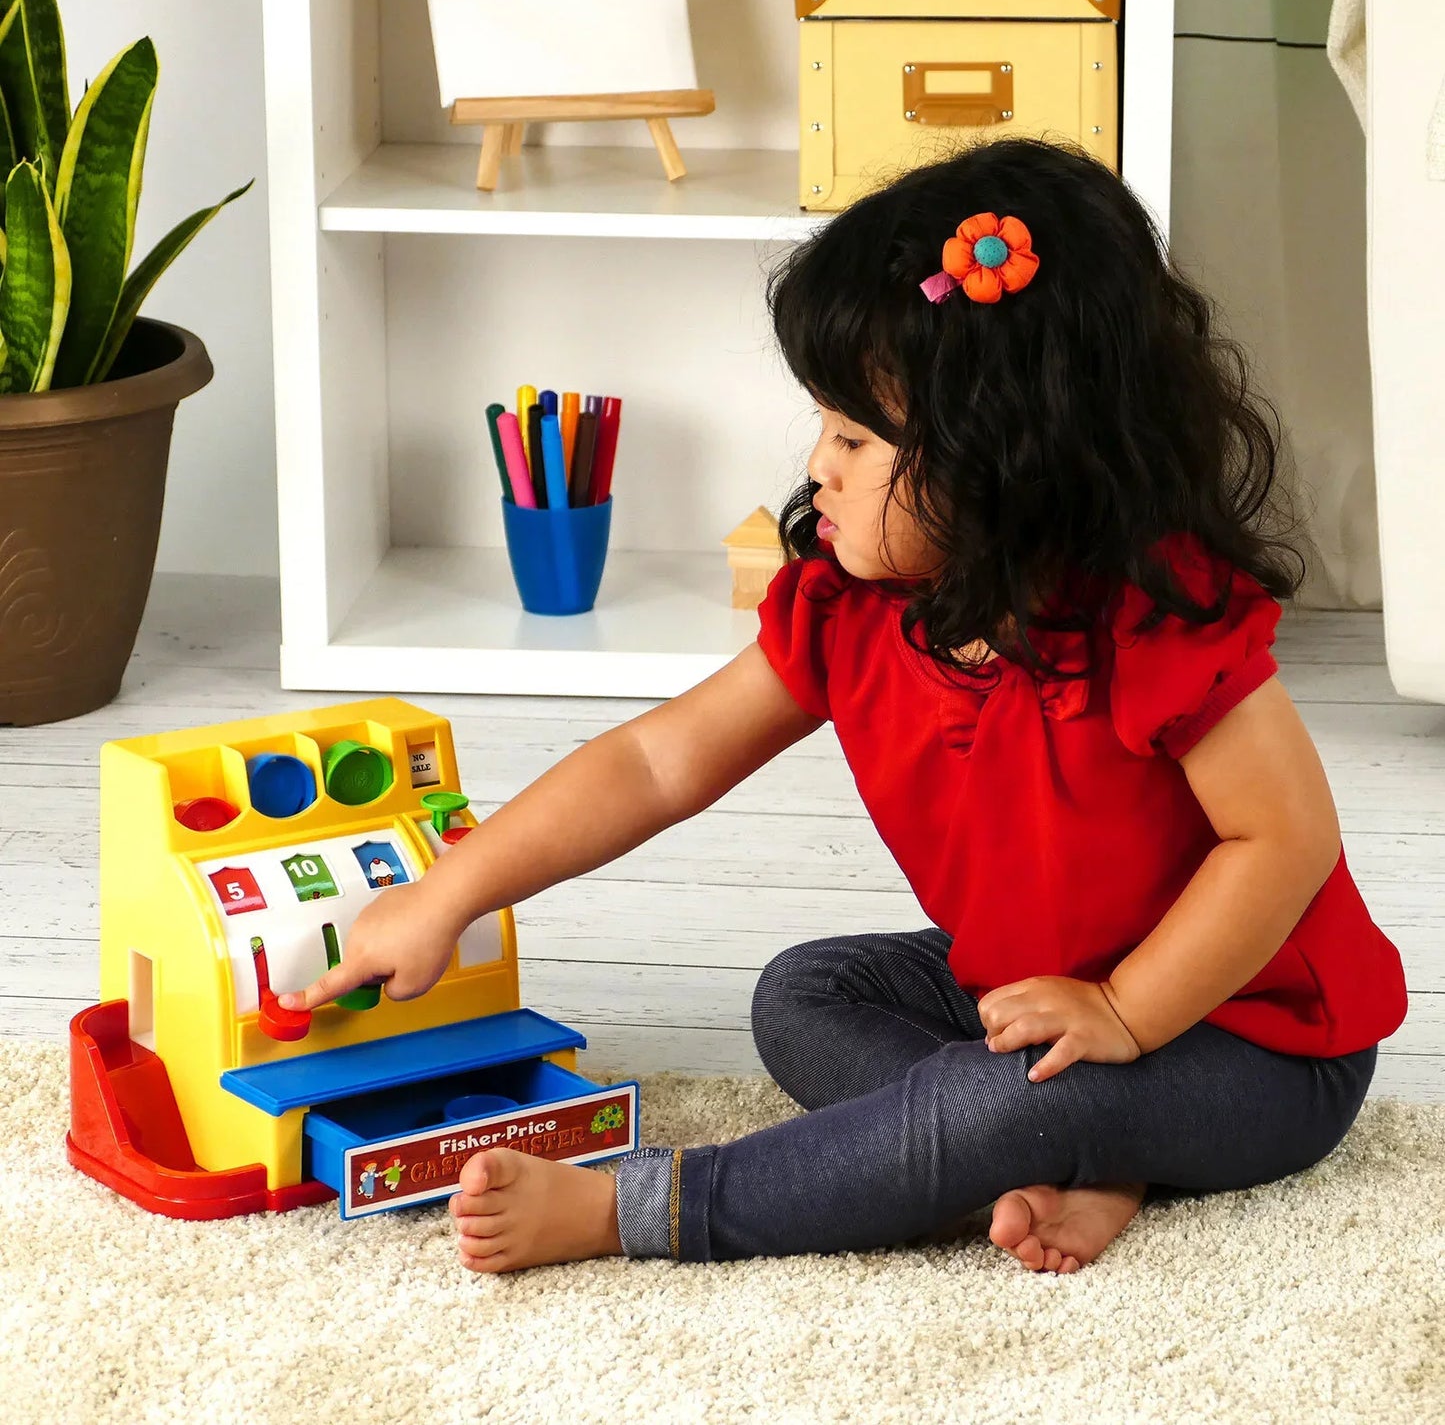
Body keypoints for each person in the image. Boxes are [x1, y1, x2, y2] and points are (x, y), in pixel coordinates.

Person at [280, 138, 1408, 1276]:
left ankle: (641, 1207)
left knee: (992, 1097)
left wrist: (1124, 1012)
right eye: (824, 425)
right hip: (1029, 993)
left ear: (1005, 457)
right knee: (806, 993)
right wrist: (448, 892)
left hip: (1254, 1040)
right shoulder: (849, 602)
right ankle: (1058, 1149)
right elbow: (657, 762)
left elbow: (1283, 839)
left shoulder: (1153, 615)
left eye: (855, 438)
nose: (816, 465)